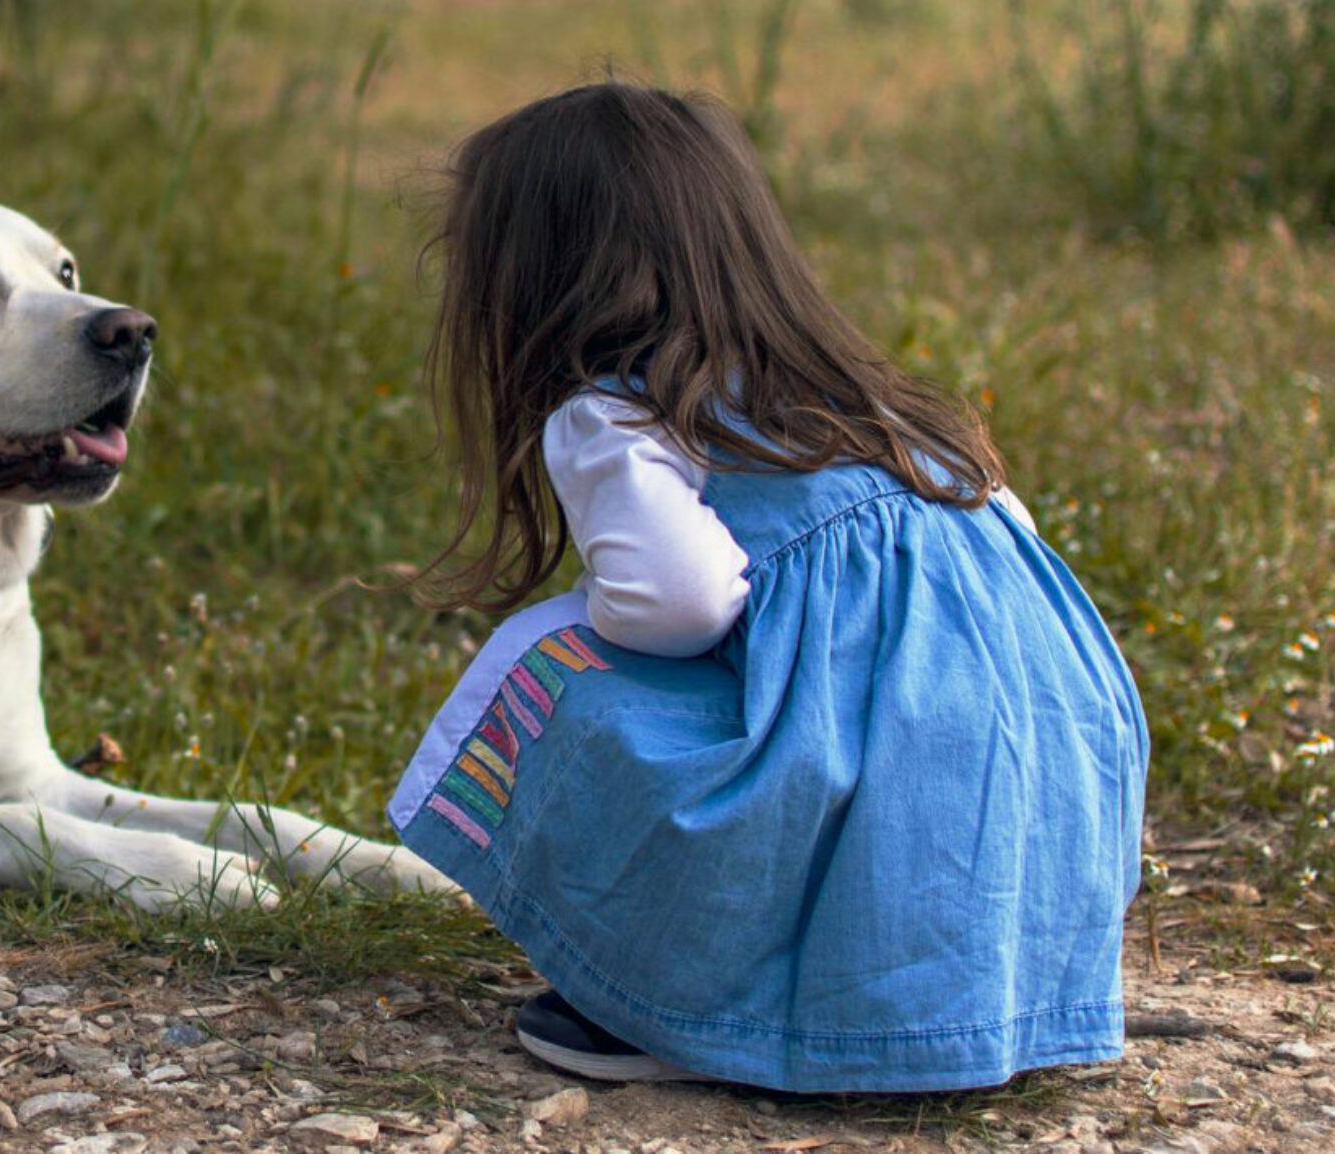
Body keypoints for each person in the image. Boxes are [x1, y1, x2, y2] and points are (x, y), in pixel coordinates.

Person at [385, 82, 1148, 1092]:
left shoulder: (615, 414)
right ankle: (965, 997)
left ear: (534, 281)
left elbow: (679, 600)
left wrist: (594, 621)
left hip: (877, 783)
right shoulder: (870, 403)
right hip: (1046, 782)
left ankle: (678, 1002)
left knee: (555, 664)